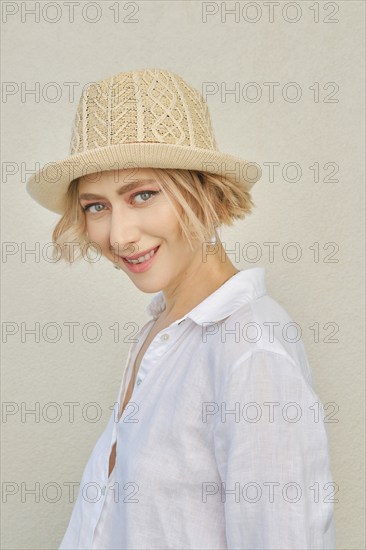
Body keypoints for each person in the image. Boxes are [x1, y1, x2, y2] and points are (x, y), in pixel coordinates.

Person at [26, 68, 336, 550]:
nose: (119, 234)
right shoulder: (163, 329)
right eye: (95, 206)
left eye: (142, 195)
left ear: (207, 194)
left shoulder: (251, 349)